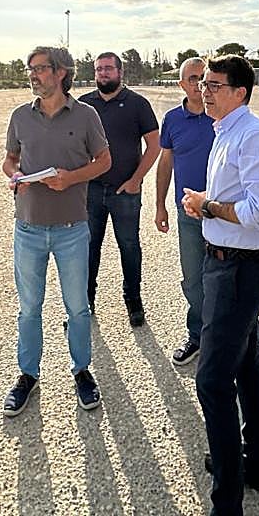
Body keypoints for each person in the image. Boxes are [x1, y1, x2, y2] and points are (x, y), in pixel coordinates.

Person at [180, 54, 259, 516]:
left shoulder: (254, 136)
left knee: (211, 380)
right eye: (203, 83)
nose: (204, 91)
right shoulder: (225, 130)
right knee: (245, 364)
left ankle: (226, 501)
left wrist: (207, 207)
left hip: (241, 268)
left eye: (215, 85)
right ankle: (255, 465)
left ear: (241, 92)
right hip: (223, 263)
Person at [1, 46, 112, 417]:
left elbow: (104, 161)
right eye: (30, 69)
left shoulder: (85, 116)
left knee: (78, 308)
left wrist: (71, 179)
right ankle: (27, 376)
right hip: (28, 227)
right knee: (29, 308)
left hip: (71, 229)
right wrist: (15, 176)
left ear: (61, 72)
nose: (33, 75)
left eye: (41, 69)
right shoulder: (20, 116)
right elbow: (10, 160)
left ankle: (82, 371)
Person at [79, 52, 160, 327]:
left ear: (120, 72)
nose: (103, 73)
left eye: (108, 69)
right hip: (91, 191)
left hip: (126, 191)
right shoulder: (84, 105)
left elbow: (154, 145)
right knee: (88, 247)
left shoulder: (138, 104)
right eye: (99, 69)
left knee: (129, 246)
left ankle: (133, 302)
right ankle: (85, 302)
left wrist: (137, 179)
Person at [153, 56, 215, 366]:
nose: (199, 83)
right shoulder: (173, 120)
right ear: (181, 84)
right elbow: (165, 163)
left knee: (229, 278)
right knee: (193, 279)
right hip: (187, 215)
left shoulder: (223, 117)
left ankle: (237, 339)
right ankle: (198, 335)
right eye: (192, 78)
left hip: (223, 214)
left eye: (203, 77)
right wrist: (159, 204)